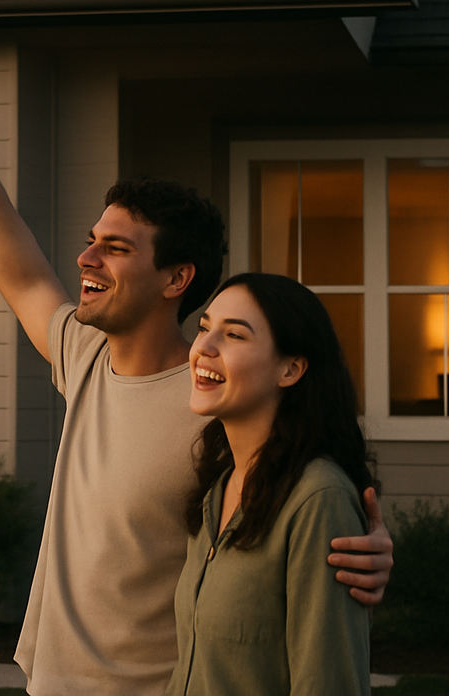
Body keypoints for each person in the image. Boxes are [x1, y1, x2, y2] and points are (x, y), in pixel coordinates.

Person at [0, 67, 392, 696]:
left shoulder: (218, 403)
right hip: (50, 682)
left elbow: (307, 486)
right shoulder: (85, 355)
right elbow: (26, 277)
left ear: (176, 279)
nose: (86, 258)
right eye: (92, 241)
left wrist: (372, 549)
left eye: (116, 248)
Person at [167, 273, 375, 696]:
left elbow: (328, 682)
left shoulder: (318, 500)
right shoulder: (217, 490)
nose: (203, 347)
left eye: (234, 335)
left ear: (291, 368)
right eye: (204, 328)